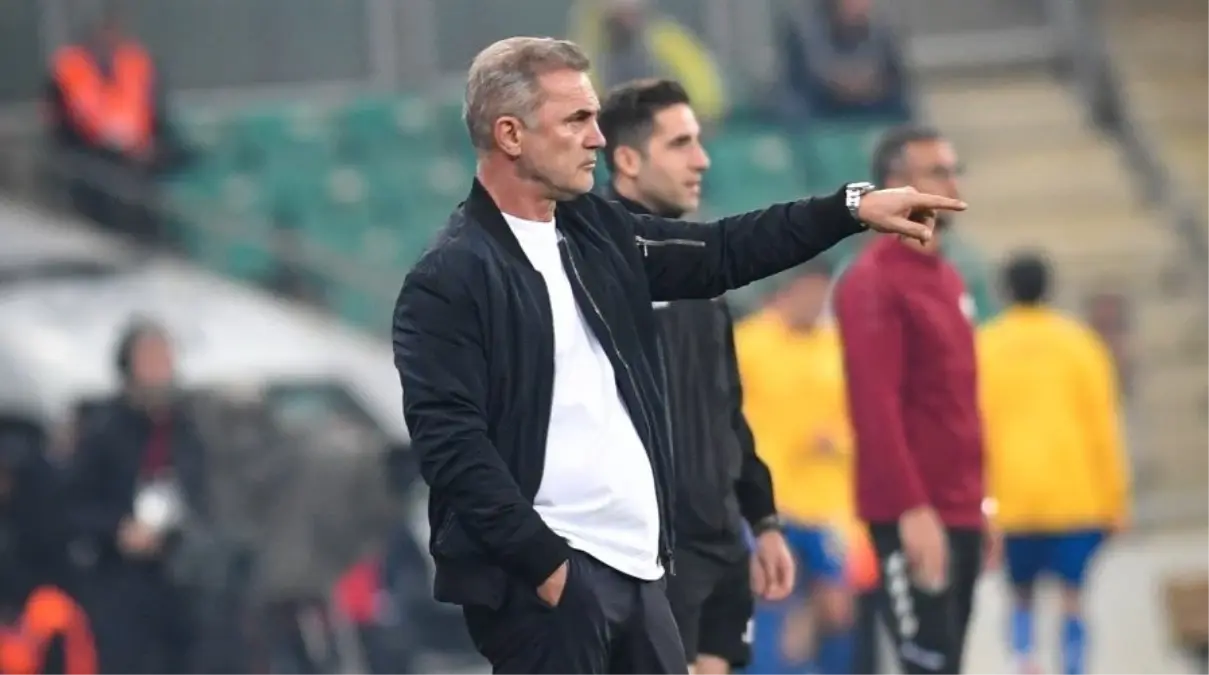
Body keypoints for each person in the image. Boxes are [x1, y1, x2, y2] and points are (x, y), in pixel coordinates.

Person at [392, 36, 962, 675]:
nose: (597, 138)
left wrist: (849, 208)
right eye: (576, 119)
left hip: (640, 571)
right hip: (553, 586)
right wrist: (546, 568)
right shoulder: (451, 276)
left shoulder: (595, 232)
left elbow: (721, 251)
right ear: (510, 134)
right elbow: (451, 447)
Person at [596, 78, 796, 675]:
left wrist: (762, 520)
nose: (701, 160)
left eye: (699, 141)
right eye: (680, 143)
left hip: (721, 538)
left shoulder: (701, 265)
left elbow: (725, 405)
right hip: (651, 551)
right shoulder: (594, 260)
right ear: (627, 160)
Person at [833, 123, 995, 675]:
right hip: (913, 513)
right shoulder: (872, 282)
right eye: (938, 172)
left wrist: (983, 504)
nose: (953, 184)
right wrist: (912, 510)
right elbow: (874, 407)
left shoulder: (948, 278)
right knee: (926, 665)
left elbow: (959, 403)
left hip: (961, 506)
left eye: (953, 170)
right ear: (897, 183)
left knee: (949, 663)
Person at [977, 252, 1131, 675]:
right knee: (1073, 596)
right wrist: (1116, 501)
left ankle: (1024, 661)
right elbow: (1103, 426)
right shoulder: (1080, 344)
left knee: (1020, 593)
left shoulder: (986, 346)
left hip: (1012, 498)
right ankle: (1073, 667)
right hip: (1075, 496)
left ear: (1006, 290)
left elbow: (973, 426)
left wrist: (978, 501)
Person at [735, 261, 856, 675]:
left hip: (828, 502)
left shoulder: (836, 346)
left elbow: (858, 417)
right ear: (789, 290)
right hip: (772, 500)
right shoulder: (750, 343)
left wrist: (837, 440)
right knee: (773, 600)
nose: (816, 302)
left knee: (836, 609)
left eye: (823, 294)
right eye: (810, 292)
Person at [67, 320, 208, 675]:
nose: (161, 370)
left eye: (165, 358)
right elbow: (72, 504)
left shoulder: (189, 427)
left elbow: (204, 491)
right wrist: (117, 529)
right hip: (119, 578)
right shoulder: (104, 429)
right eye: (150, 360)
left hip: (180, 577)